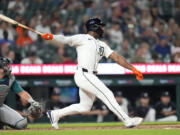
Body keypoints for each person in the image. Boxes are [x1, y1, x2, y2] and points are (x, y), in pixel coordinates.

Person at [41, 18, 143, 129]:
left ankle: (55, 114)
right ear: (94, 27)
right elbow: (65, 39)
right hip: (84, 74)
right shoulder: (82, 38)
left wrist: (133, 69)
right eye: (100, 26)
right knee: (107, 94)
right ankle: (127, 120)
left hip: (90, 76)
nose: (102, 28)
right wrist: (52, 37)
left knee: (84, 107)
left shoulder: (102, 45)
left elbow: (117, 57)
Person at [0, 57, 41, 129]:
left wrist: (32, 102)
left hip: (0, 106)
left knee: (22, 124)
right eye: (6, 65)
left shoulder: (10, 78)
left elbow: (21, 92)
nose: (8, 67)